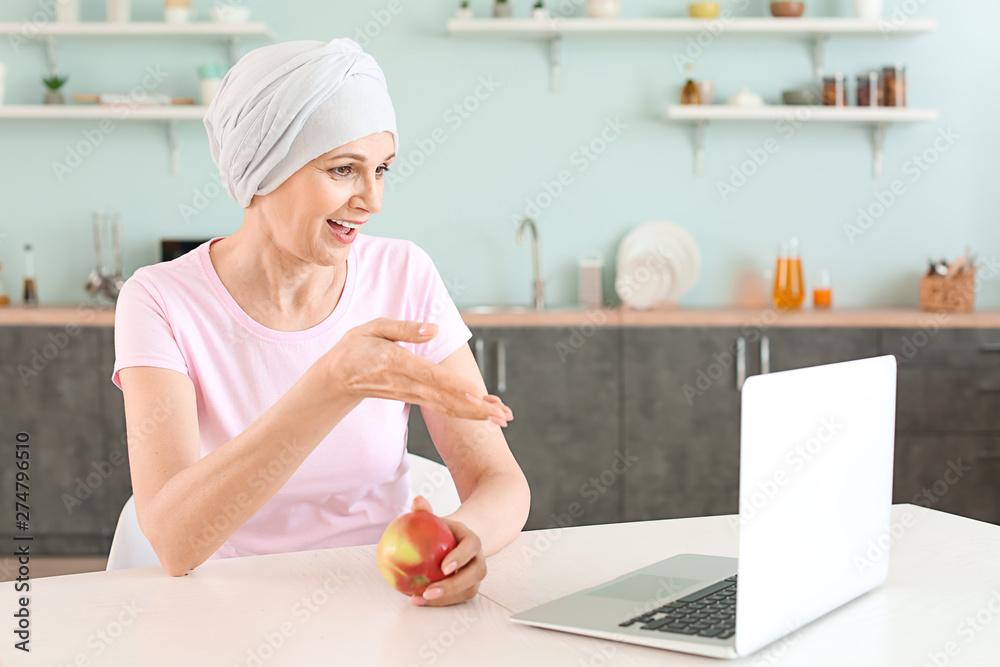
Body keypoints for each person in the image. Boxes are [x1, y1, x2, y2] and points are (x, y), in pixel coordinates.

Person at [111, 37, 530, 608]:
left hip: (381, 601)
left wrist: (467, 537)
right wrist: (332, 384)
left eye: (381, 169)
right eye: (343, 170)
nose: (372, 199)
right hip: (219, 609)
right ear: (261, 170)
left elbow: (497, 480)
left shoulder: (402, 273)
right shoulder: (159, 300)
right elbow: (173, 541)